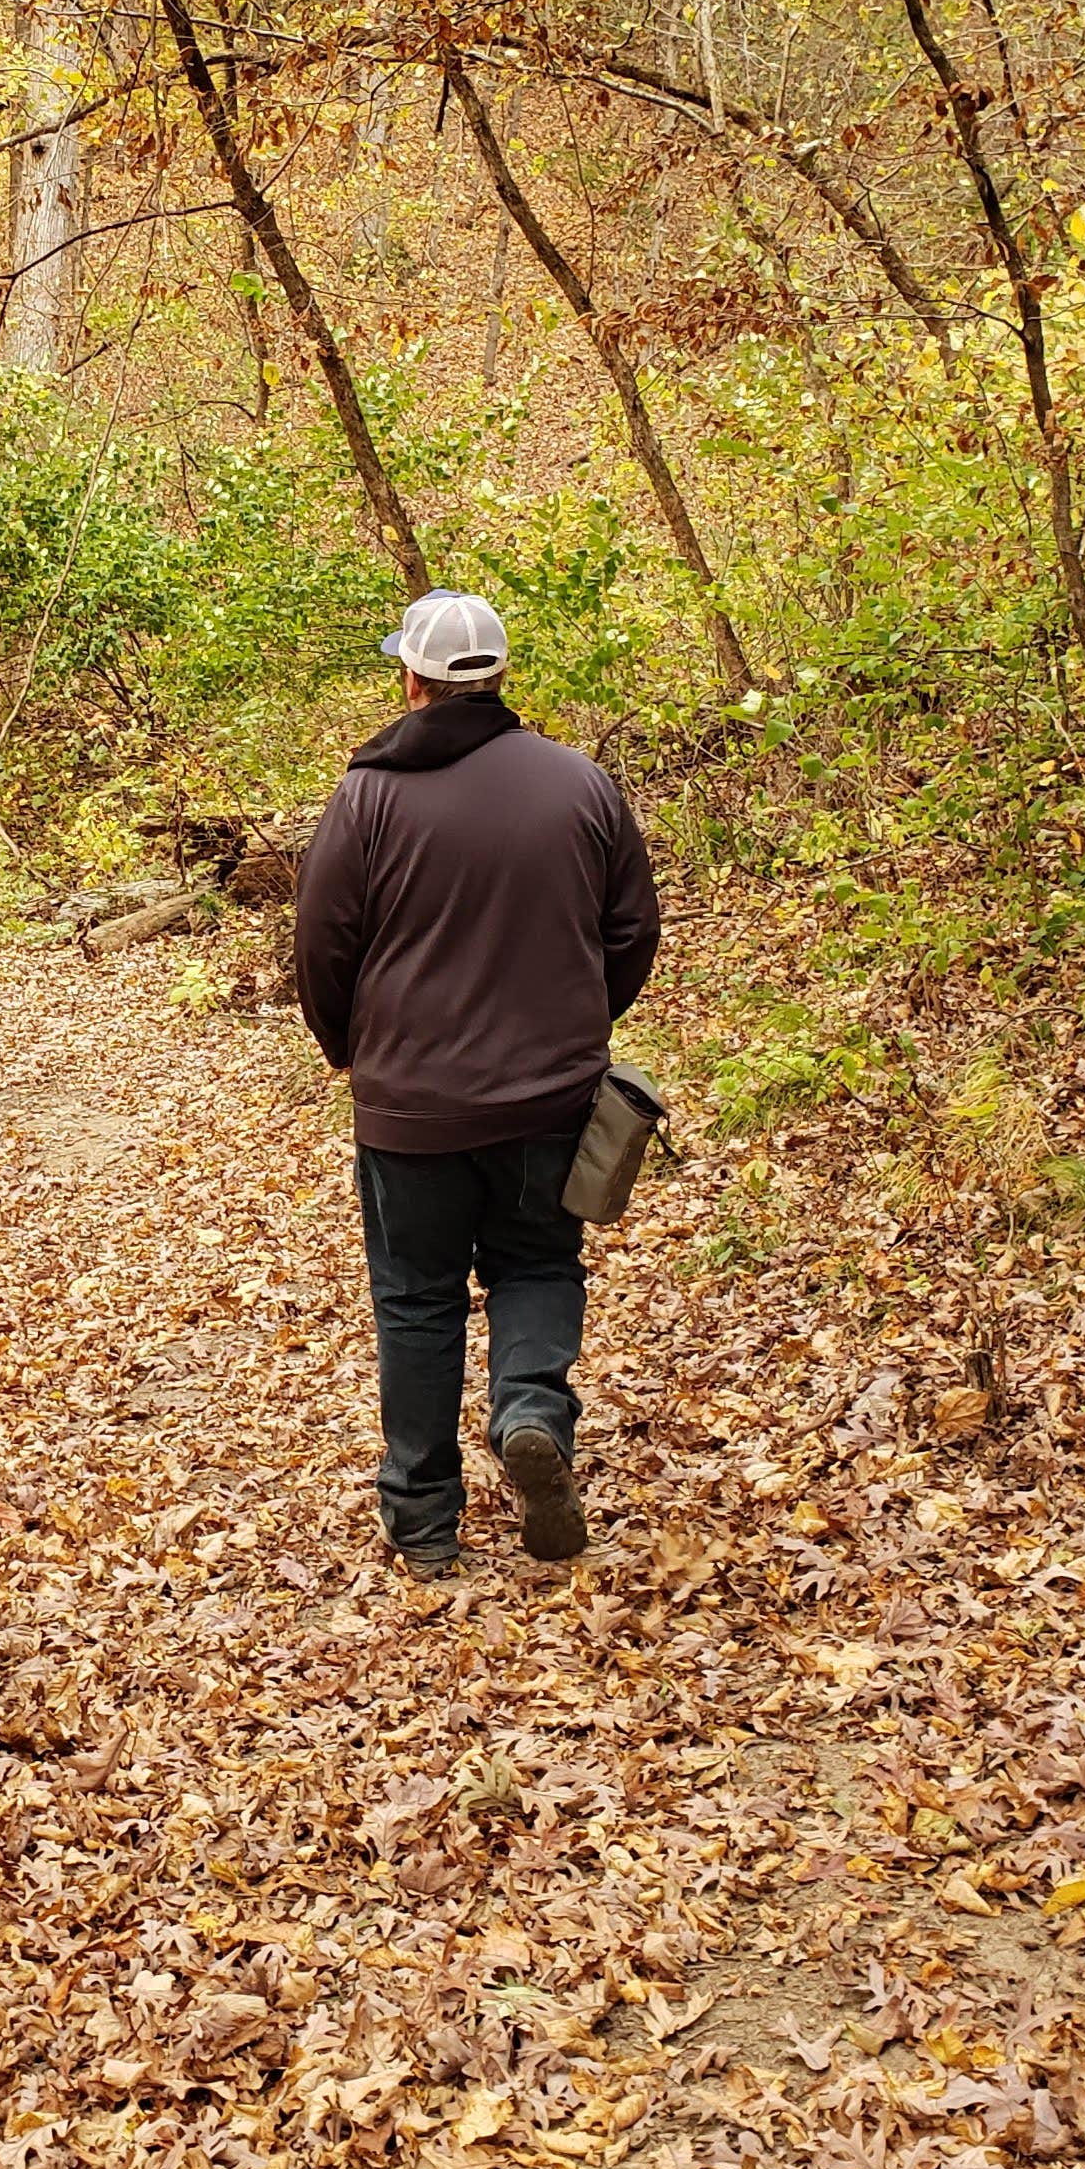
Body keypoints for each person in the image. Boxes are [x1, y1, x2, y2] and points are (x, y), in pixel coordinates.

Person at [293, 589, 660, 1577]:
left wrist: (351, 1051)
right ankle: (532, 1411)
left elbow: (322, 945)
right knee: (537, 1266)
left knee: (417, 1299)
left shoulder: (367, 797)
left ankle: (422, 1520)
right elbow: (632, 932)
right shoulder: (581, 784)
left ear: (411, 679)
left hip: (411, 1108)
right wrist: (579, 1029)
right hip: (550, 1100)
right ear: (498, 678)